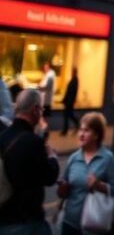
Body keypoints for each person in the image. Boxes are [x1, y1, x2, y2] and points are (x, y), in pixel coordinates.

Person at [0, 89, 59, 234]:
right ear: (35, 110)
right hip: (28, 221)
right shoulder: (34, 142)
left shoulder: (3, 136)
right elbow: (49, 177)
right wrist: (52, 157)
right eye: (42, 110)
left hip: (4, 219)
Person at [57, 112, 114, 234]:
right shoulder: (74, 158)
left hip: (94, 225)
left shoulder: (107, 158)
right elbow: (63, 192)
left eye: (86, 131)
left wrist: (99, 186)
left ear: (96, 135)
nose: (81, 134)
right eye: (80, 130)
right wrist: (62, 187)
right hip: (70, 223)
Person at [61, 68, 79, 136]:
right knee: (69, 115)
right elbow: (68, 91)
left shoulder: (75, 80)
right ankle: (77, 124)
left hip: (70, 101)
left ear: (75, 72)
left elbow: (73, 92)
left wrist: (71, 100)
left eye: (73, 71)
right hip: (68, 101)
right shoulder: (73, 79)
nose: (72, 73)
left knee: (67, 115)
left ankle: (65, 131)